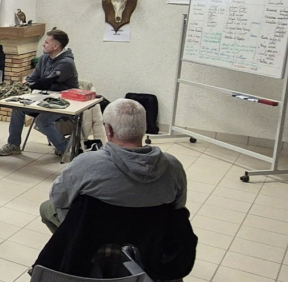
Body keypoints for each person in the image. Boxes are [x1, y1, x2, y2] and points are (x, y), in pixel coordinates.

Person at [41, 98, 186, 232]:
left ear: (108, 130)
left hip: (94, 239)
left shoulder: (85, 163)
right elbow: (178, 208)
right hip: (150, 241)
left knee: (46, 208)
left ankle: (71, 252)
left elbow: (58, 198)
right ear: (145, 127)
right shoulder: (173, 166)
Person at [0, 29, 79, 157]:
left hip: (64, 103)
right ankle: (13, 145)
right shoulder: (45, 57)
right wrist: (27, 81)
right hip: (43, 98)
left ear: (55, 46)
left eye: (46, 42)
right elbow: (34, 77)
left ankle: (64, 147)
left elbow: (46, 83)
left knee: (41, 121)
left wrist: (30, 84)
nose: (43, 44)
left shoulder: (66, 63)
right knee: (18, 108)